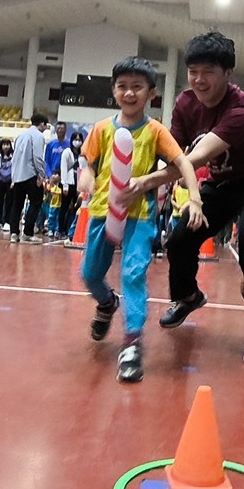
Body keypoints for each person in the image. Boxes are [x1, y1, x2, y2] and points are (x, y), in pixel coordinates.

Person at [125, 31, 244, 365]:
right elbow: (173, 155)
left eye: (208, 72)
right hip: (223, 181)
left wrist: (145, 182)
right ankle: (188, 296)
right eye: (193, 71)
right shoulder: (186, 104)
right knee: (179, 239)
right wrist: (149, 182)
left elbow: (196, 158)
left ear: (228, 73)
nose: (198, 79)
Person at [78, 56, 204, 383]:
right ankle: (107, 303)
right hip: (102, 211)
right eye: (122, 86)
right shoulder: (101, 129)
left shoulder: (155, 131)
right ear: (113, 90)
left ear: (151, 93)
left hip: (140, 215)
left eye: (137, 87)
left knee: (133, 273)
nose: (129, 93)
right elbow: (88, 162)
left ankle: (132, 343)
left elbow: (183, 163)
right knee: (90, 273)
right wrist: (86, 177)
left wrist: (194, 198)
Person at [8, 113, 49, 244]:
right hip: (31, 174)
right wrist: (41, 175)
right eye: (45, 125)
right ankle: (27, 233)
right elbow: (37, 157)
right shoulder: (38, 136)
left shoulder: (20, 135)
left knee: (17, 204)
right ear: (42, 124)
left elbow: (15, 157)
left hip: (18, 175)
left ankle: (14, 233)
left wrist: (14, 177)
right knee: (36, 202)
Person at [58, 131, 83, 238]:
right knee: (64, 207)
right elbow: (63, 168)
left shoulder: (82, 154)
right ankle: (61, 230)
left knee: (76, 208)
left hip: (78, 183)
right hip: (68, 182)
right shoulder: (67, 152)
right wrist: (64, 184)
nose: (77, 142)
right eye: (75, 139)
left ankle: (72, 230)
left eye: (79, 140)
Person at [0, 137, 14, 230]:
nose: (5, 147)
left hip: (10, 181)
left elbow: (15, 168)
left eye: (7, 144)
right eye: (4, 144)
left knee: (9, 202)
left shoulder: (13, 156)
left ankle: (7, 222)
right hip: (0, 180)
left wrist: (13, 181)